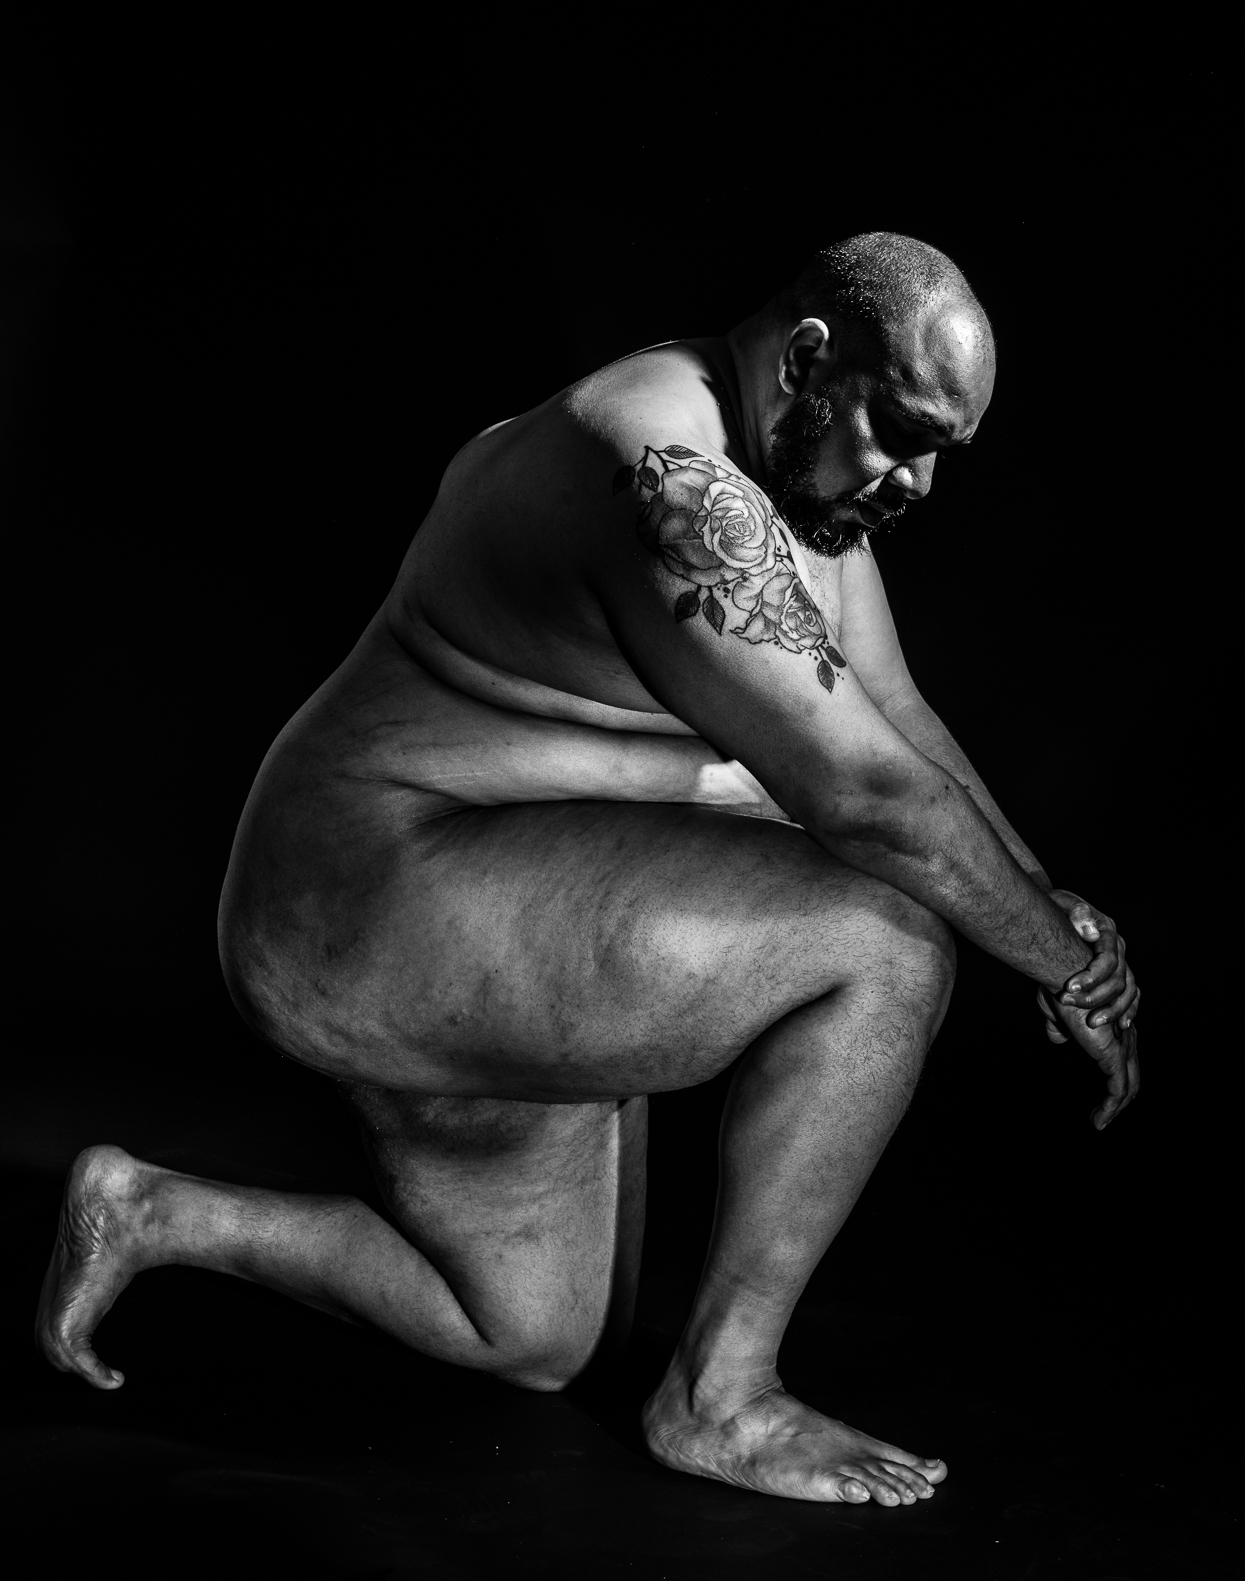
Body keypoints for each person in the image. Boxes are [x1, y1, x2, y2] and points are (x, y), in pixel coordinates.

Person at [37, 232, 1140, 1508]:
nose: (921, 480)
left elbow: (896, 719)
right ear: (806, 361)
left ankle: (151, 1212)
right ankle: (721, 1398)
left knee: (529, 1336)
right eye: (901, 432)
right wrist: (1053, 965)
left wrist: (1053, 911)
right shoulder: (666, 475)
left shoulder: (806, 484)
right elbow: (867, 797)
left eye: (944, 449)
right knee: (886, 940)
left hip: (522, 891)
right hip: (372, 892)